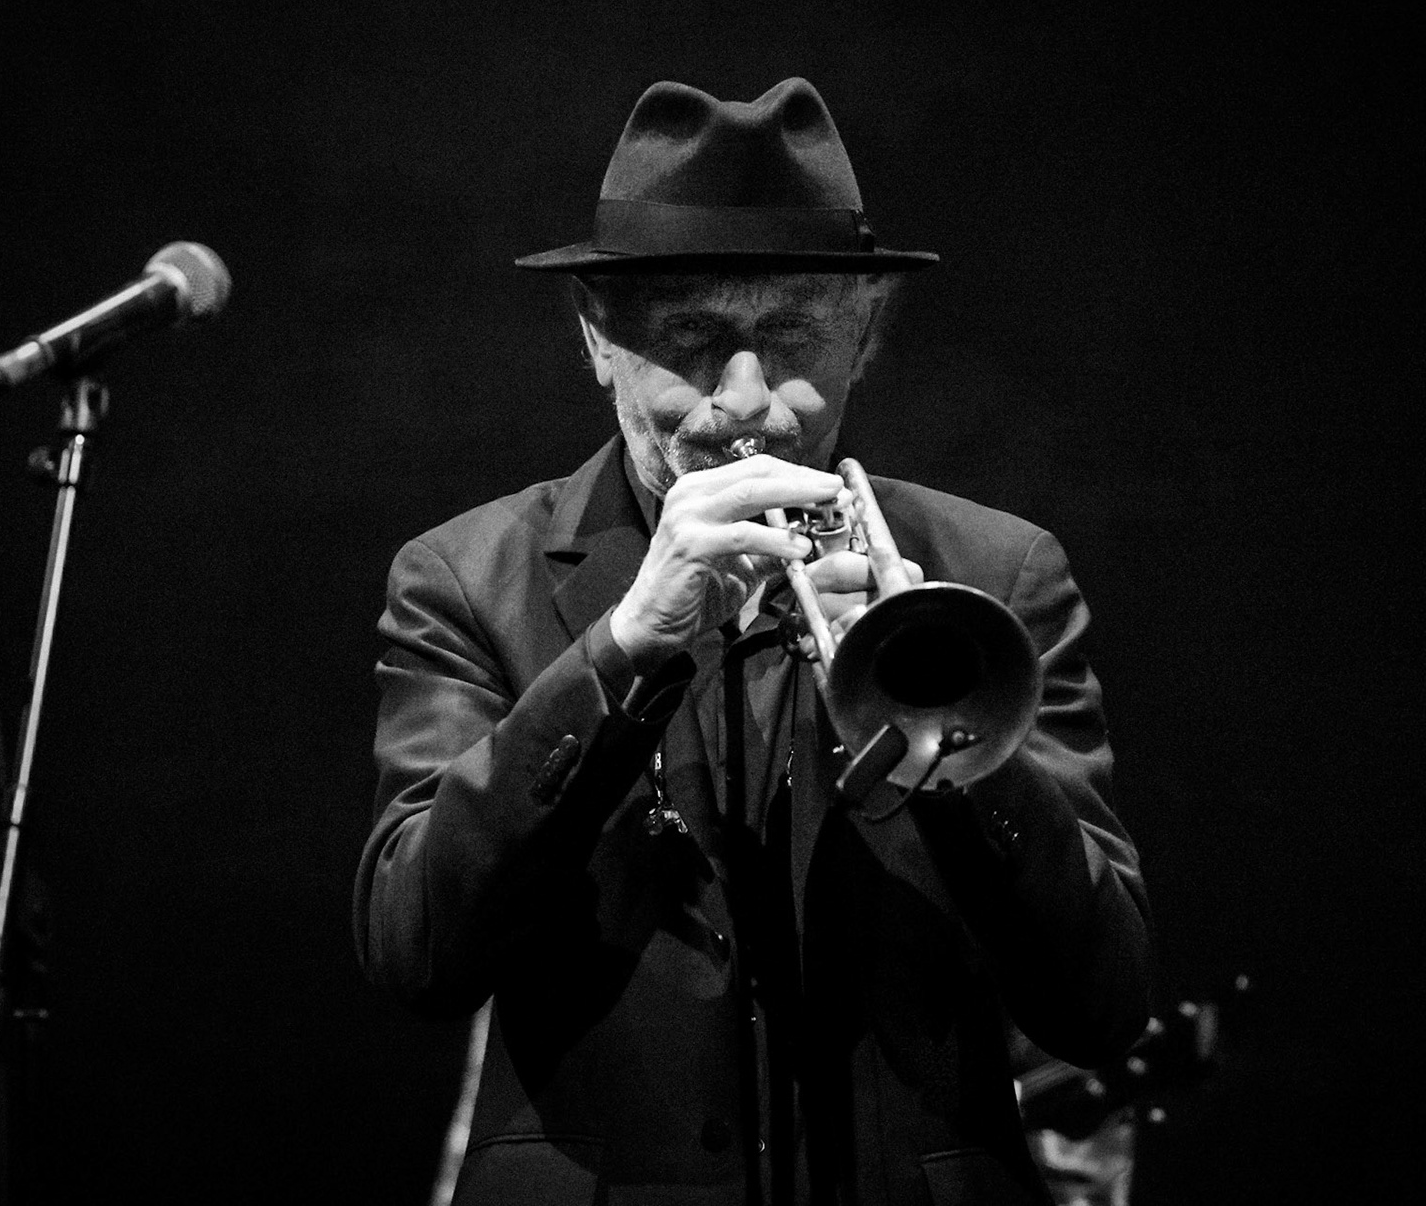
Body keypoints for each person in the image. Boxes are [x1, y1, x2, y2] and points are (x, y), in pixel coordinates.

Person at [354, 77, 1158, 1206]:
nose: (747, 403)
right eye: (690, 340)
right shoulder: (463, 575)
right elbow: (417, 950)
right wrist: (623, 648)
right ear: (596, 336)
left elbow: (1102, 1003)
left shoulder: (996, 570)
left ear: (865, 337)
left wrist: (956, 737)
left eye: (791, 337)